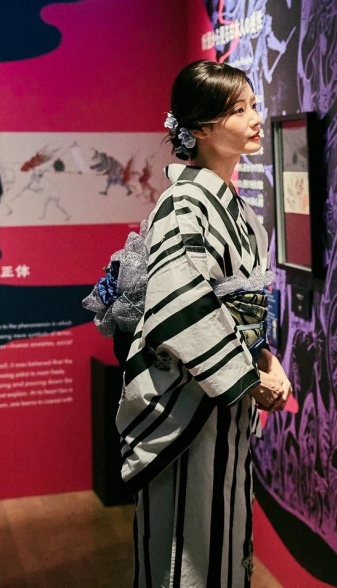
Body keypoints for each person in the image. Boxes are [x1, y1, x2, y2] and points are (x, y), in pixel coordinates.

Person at [118, 60, 293, 588]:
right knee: (187, 551)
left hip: (225, 402)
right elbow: (179, 307)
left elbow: (243, 309)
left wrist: (266, 359)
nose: (255, 118)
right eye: (238, 110)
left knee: (222, 538)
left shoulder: (233, 206)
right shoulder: (183, 203)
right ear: (199, 128)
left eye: (253, 105)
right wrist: (248, 378)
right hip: (191, 403)